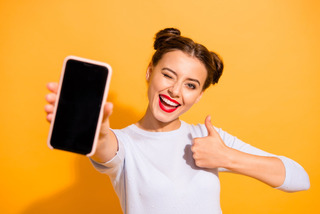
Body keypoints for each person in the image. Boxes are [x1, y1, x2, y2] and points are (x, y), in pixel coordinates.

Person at [45, 28, 310, 214]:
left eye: (190, 85)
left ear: (199, 95)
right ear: (150, 72)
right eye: (168, 75)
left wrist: (226, 157)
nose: (175, 91)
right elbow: (105, 146)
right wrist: (97, 130)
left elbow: (300, 179)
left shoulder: (210, 140)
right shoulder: (125, 145)